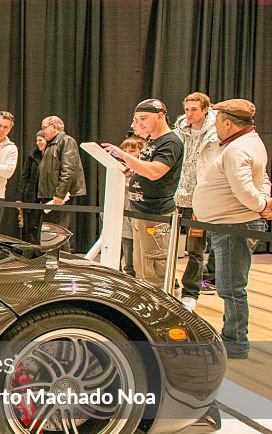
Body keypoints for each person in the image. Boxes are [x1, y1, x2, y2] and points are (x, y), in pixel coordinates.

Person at [192, 99, 272, 359]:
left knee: (231, 287)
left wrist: (262, 205)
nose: (214, 126)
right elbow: (263, 180)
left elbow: (245, 189)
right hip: (230, 224)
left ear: (228, 122)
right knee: (230, 285)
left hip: (233, 226)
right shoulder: (249, 142)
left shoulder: (238, 149)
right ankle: (233, 339)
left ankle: (235, 343)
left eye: (216, 120)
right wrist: (265, 203)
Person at [102, 99, 183, 289]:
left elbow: (155, 171)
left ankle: (163, 311)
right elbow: (144, 170)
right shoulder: (152, 141)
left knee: (154, 269)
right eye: (137, 119)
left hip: (156, 214)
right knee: (142, 269)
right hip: (142, 212)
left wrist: (124, 156)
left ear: (161, 117)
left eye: (143, 118)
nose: (139, 123)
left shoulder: (170, 141)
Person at [173, 93, 218, 310]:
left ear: (205, 109)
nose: (189, 114)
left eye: (194, 110)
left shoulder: (215, 134)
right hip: (175, 195)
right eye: (187, 109)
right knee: (167, 245)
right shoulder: (179, 130)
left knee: (195, 248)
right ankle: (169, 285)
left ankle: (191, 292)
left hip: (199, 198)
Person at [36, 116, 87, 248]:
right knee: (50, 232)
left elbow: (68, 169)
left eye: (44, 128)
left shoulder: (66, 141)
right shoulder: (51, 144)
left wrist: (60, 194)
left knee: (57, 232)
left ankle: (62, 263)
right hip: (48, 195)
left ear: (54, 127)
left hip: (58, 196)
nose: (42, 131)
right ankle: (53, 263)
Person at [118, 136, 147, 276]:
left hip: (135, 220)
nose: (127, 153)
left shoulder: (144, 172)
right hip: (119, 220)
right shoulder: (117, 170)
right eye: (125, 150)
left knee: (133, 262)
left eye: (132, 150)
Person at [17, 131, 46, 243]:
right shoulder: (32, 155)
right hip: (31, 196)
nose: (38, 143)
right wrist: (19, 197)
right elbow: (24, 177)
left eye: (40, 140)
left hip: (46, 197)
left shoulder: (53, 155)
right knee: (30, 228)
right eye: (37, 140)